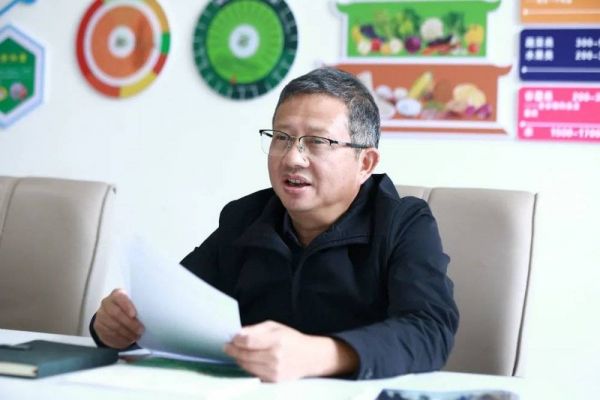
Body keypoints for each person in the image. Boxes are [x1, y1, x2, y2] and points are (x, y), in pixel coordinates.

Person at [90, 67, 459, 382]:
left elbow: (430, 331)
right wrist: (114, 326)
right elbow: (173, 307)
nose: (292, 157)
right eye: (282, 137)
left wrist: (319, 355)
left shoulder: (403, 222)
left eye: (316, 141)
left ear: (365, 163)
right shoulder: (246, 218)